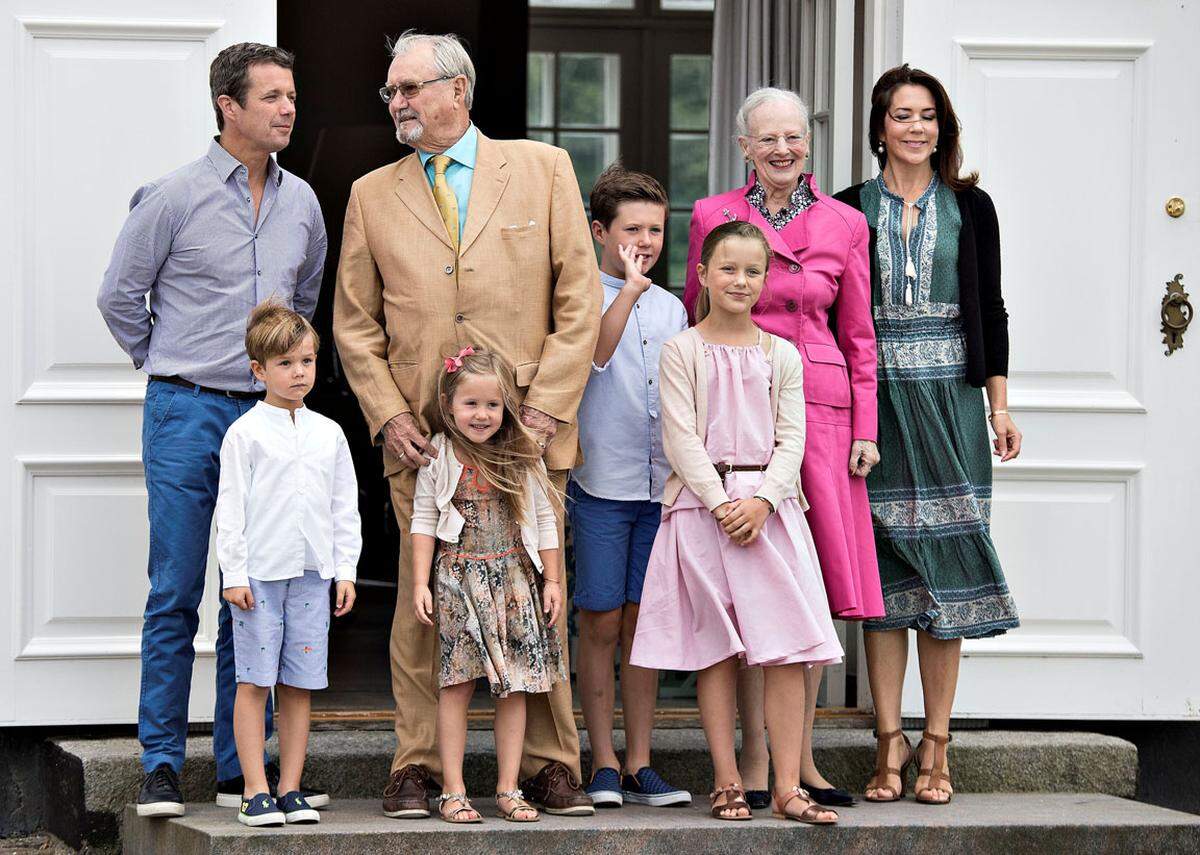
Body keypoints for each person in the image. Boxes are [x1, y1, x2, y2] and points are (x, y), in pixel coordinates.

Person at [332, 31, 599, 818]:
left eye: (409, 88)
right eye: (390, 92)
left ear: (459, 91)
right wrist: (384, 415)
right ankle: (415, 765)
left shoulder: (544, 169)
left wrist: (548, 403)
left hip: (529, 434)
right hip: (422, 435)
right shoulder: (370, 193)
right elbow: (354, 323)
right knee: (422, 607)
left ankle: (551, 765)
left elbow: (579, 299)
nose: (397, 103)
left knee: (541, 599)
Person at [96, 43, 328, 817]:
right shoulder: (172, 197)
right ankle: (161, 764)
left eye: (291, 95)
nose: (288, 108)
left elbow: (306, 302)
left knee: (254, 593)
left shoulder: (303, 204)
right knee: (175, 590)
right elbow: (119, 296)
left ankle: (242, 770)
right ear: (228, 105)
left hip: (268, 417)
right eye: (271, 96)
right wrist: (166, 364)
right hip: (188, 410)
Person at [683, 86, 880, 808]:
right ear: (744, 148)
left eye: (793, 137)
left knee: (808, 583)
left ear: (808, 143)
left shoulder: (844, 222)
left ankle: (801, 758)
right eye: (767, 139)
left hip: (819, 419)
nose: (783, 150)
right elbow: (692, 313)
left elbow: (860, 334)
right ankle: (753, 758)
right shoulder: (713, 215)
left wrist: (867, 428)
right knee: (741, 583)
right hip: (735, 409)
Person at [833, 64, 1021, 806]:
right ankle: (888, 740)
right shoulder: (848, 209)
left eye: (928, 116)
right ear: (880, 126)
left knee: (943, 572)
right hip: (876, 412)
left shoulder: (972, 207)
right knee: (885, 583)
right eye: (902, 115)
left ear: (942, 128)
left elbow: (993, 311)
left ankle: (937, 741)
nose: (916, 128)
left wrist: (999, 408)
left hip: (952, 404)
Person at [631, 220, 843, 825]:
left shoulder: (783, 355)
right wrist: (721, 502)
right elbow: (679, 436)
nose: (740, 280)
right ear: (702, 273)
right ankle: (726, 779)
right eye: (728, 268)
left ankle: (784, 786)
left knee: (782, 652)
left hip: (769, 514)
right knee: (716, 650)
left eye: (753, 270)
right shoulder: (682, 350)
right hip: (703, 511)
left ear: (766, 279)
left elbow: (792, 438)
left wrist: (765, 501)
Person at [569, 165, 690, 808]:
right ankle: (603, 758)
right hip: (602, 483)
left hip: (660, 488)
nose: (643, 240)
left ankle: (642, 759)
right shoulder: (584, 292)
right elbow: (595, 353)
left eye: (655, 230)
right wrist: (628, 289)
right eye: (630, 229)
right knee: (600, 618)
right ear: (599, 232)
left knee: (645, 624)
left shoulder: (672, 308)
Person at [215, 302, 359, 827]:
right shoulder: (245, 434)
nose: (299, 373)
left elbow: (345, 506)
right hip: (258, 576)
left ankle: (291, 787)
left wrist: (345, 570)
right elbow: (230, 507)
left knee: (299, 682)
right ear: (258, 370)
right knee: (255, 680)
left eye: (307, 361)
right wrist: (233, 575)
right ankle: (256, 789)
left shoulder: (329, 434)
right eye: (285, 364)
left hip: (311, 574)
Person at [410, 348, 565, 824]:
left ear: (507, 409)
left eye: (492, 406)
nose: (482, 415)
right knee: (456, 683)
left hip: (515, 579)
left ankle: (508, 787)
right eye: (471, 404)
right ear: (449, 403)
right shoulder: (439, 454)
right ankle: (453, 791)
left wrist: (552, 578)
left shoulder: (521, 456)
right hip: (459, 578)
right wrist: (421, 582)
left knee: (514, 686)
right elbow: (423, 518)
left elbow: (544, 517)